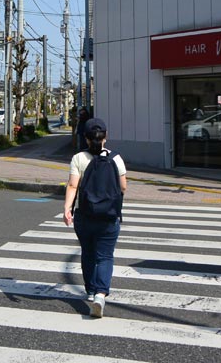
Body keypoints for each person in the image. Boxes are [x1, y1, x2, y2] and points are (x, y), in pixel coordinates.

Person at [63, 117, 127, 318]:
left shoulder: (79, 158)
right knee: (105, 256)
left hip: (85, 215)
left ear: (86, 138)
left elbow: (73, 186)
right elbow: (123, 187)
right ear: (105, 136)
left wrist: (67, 209)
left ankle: (90, 290)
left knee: (88, 253)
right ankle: (100, 294)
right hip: (109, 216)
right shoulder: (116, 158)